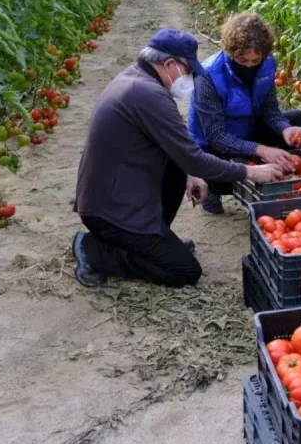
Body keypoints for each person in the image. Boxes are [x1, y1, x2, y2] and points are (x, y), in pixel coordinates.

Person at [72, 29, 282, 288]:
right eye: (188, 70)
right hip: (109, 212)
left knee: (178, 169)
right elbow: (195, 157)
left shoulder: (138, 80)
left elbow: (179, 151)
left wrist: (189, 173)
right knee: (184, 271)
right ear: (170, 64)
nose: (190, 78)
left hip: (115, 194)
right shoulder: (148, 95)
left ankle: (153, 242)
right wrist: (250, 172)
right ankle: (93, 250)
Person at [187, 12, 301, 214]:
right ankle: (215, 190)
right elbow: (216, 136)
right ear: (230, 52)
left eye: (256, 60)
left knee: (297, 119)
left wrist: (286, 129)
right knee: (216, 173)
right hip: (212, 146)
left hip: (246, 129)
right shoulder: (208, 76)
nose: (249, 65)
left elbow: (270, 110)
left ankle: (275, 177)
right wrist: (262, 150)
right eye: (242, 60)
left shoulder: (267, 65)